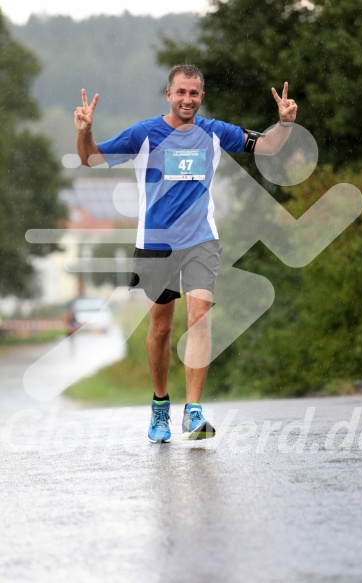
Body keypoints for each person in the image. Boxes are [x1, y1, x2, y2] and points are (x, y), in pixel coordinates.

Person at [74, 64, 297, 443]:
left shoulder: (214, 133)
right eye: (181, 92)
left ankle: (193, 411)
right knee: (161, 328)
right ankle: (160, 405)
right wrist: (85, 132)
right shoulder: (144, 134)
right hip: (156, 243)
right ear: (168, 94)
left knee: (200, 317)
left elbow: (269, 146)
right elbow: (90, 159)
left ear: (201, 97)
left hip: (200, 241)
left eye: (194, 93)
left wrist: (285, 124)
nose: (187, 99)